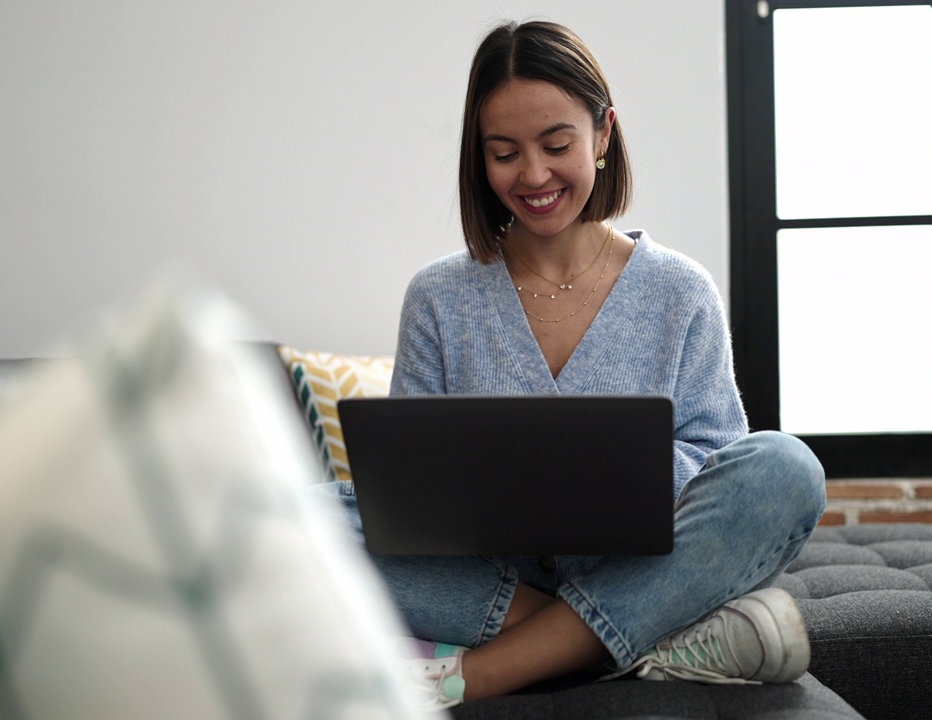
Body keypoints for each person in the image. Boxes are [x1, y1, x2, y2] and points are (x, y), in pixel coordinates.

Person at [320, 19, 826, 711]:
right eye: (504, 153)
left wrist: (615, 471)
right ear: (479, 156)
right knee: (303, 513)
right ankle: (636, 643)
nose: (532, 176)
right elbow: (409, 495)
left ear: (603, 134)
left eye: (556, 145)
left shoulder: (680, 291)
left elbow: (719, 461)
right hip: (486, 585)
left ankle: (487, 670)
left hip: (639, 565)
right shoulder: (438, 297)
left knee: (785, 470)